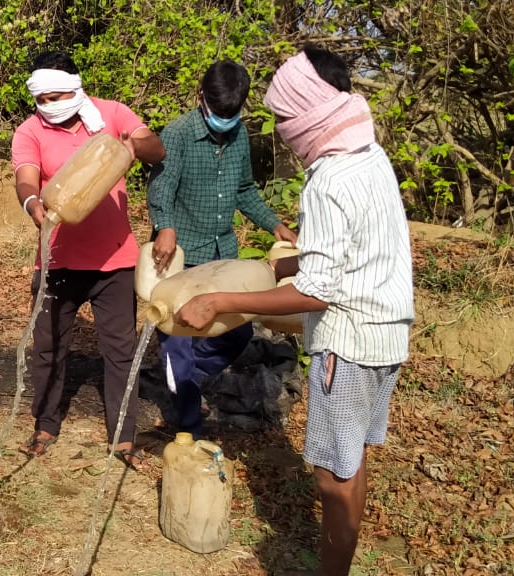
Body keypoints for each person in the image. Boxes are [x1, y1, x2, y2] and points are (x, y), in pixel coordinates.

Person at [174, 45, 414, 576]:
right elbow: (359, 248)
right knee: (352, 461)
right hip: (388, 333)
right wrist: (289, 265)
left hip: (347, 343)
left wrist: (222, 300)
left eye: (283, 117)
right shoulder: (369, 155)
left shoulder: (328, 178)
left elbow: (317, 294)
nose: (281, 128)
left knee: (331, 476)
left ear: (308, 113)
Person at [11, 50, 166, 468]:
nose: (50, 106)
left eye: (57, 96)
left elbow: (156, 150)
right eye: (42, 100)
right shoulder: (29, 132)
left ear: (76, 88)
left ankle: (122, 436)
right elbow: (25, 177)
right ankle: (45, 422)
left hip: (114, 261)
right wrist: (32, 204)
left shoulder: (111, 115)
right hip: (57, 260)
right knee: (48, 347)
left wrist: (136, 142)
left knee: (120, 351)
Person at [146, 60, 298, 438]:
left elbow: (244, 190)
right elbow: (160, 187)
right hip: (179, 254)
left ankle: (188, 380)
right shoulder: (178, 133)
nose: (224, 120)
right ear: (201, 98)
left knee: (238, 332)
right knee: (178, 338)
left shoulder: (239, 136)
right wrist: (165, 227)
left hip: (221, 253)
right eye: (218, 113)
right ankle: (188, 426)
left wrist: (275, 223)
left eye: (232, 114)